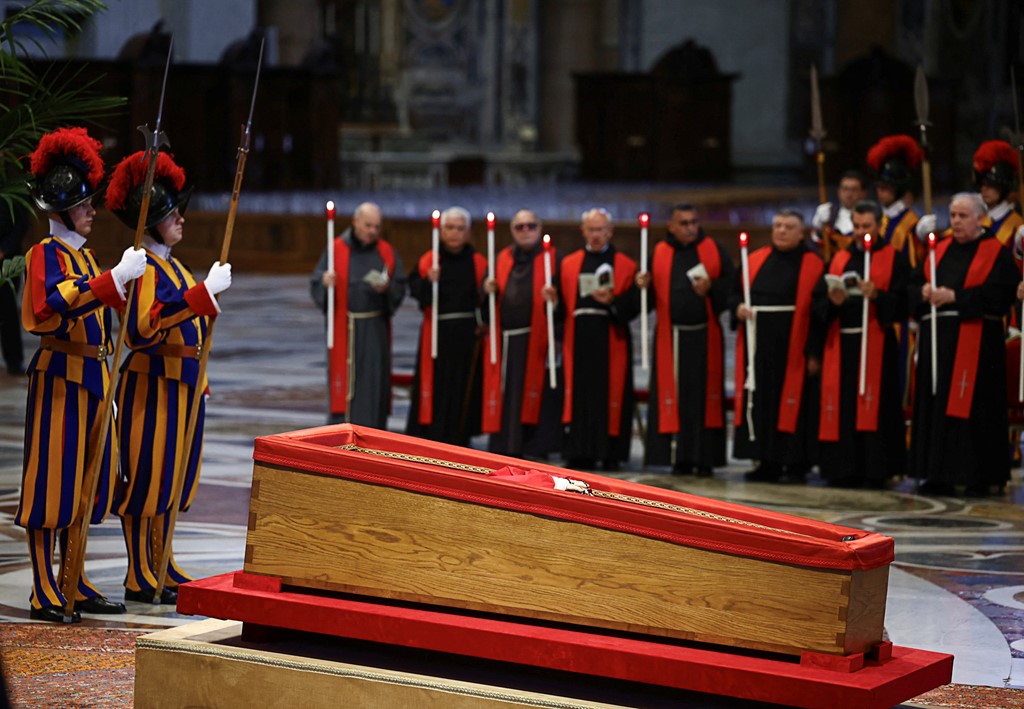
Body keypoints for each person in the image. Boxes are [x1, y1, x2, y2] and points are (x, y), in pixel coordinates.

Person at [17, 127, 148, 622]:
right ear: (63, 208)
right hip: (60, 378)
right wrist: (109, 281)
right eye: (85, 204)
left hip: (94, 379)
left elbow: (107, 310)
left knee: (86, 482)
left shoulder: (85, 256)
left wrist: (122, 283)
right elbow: (48, 308)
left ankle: (73, 574)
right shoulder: (44, 255)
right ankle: (42, 586)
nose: (93, 211)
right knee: (51, 481)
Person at [104, 150, 230, 604]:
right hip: (151, 383)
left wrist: (203, 380)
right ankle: (139, 569)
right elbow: (140, 330)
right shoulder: (144, 267)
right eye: (172, 213)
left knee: (175, 477)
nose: (181, 219)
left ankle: (163, 559)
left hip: (182, 383)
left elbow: (193, 326)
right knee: (147, 475)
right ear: (153, 221)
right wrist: (200, 296)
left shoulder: (174, 266)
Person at [910, 192, 1018, 497]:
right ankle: (936, 473)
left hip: (978, 343)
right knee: (937, 403)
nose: (955, 221)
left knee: (975, 407)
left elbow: (1000, 294)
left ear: (980, 218)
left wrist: (955, 297)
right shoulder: (938, 250)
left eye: (962, 216)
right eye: (953, 215)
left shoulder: (995, 252)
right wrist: (924, 291)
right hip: (937, 342)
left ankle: (977, 475)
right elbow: (912, 285)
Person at [815, 200, 910, 488]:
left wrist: (878, 296)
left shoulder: (894, 259)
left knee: (876, 405)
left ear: (879, 225)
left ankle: (875, 469)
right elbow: (819, 304)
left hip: (877, 345)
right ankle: (842, 468)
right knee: (842, 406)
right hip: (843, 345)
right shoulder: (840, 258)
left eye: (866, 226)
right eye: (856, 226)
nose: (860, 232)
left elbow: (905, 304)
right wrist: (833, 302)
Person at [638, 203, 734, 476]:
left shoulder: (713, 249)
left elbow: (732, 286)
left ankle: (704, 459)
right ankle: (677, 457)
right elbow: (643, 297)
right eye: (684, 223)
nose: (691, 228)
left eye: (694, 222)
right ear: (671, 226)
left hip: (705, 335)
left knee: (703, 398)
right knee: (675, 398)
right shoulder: (659, 252)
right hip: (671, 337)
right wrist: (642, 285)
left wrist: (712, 288)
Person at [730, 209, 825, 483]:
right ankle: (765, 461)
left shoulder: (813, 263)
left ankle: (796, 464)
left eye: (788, 226)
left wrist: (814, 353)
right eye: (777, 226)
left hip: (795, 348)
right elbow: (735, 294)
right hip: (758, 348)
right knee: (761, 402)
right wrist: (738, 308)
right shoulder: (755, 260)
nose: (781, 231)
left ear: (801, 232)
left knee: (797, 405)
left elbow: (819, 313)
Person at [311, 202, 406, 427]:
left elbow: (400, 286)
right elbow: (316, 284)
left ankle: (372, 436)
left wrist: (387, 289)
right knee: (344, 387)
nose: (372, 231)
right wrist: (326, 283)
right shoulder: (336, 249)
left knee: (373, 385)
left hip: (374, 330)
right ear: (355, 222)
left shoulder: (386, 252)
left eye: (377, 226)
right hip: (345, 327)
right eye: (368, 225)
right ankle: (340, 436)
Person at [558, 208, 640, 471]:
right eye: (591, 229)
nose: (596, 235)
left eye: (600, 229)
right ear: (583, 231)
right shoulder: (569, 264)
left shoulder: (626, 265)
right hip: (579, 338)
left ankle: (610, 453)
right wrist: (552, 298)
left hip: (611, 337)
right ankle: (578, 451)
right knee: (579, 394)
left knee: (610, 394)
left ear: (610, 231)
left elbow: (635, 307)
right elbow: (561, 308)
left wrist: (614, 301)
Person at [481, 209, 562, 458]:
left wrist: (555, 301)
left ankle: (534, 446)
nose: (525, 231)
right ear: (512, 231)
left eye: (531, 226)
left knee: (536, 393)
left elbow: (566, 305)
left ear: (540, 228)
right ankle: (505, 443)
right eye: (520, 227)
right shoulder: (501, 259)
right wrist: (487, 291)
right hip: (506, 340)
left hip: (538, 340)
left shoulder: (554, 260)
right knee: (507, 395)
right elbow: (484, 309)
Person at [406, 206, 486, 445]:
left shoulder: (479, 262)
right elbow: (418, 295)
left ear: (469, 233)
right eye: (450, 228)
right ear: (441, 231)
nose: (455, 233)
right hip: (437, 333)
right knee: (436, 387)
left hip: (466, 335)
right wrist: (429, 282)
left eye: (460, 228)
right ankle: (430, 435)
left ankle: (460, 436)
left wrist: (488, 295)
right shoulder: (429, 261)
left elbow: (484, 303)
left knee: (462, 386)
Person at [917, 140, 1023, 247]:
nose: (984, 189)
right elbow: (949, 247)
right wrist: (925, 238)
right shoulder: (978, 219)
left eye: (991, 184)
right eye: (981, 183)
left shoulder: (1016, 227)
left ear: (1003, 186)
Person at [866, 135, 924, 268]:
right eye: (879, 187)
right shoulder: (876, 217)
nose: (880, 192)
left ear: (898, 189)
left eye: (886, 188)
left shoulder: (911, 224)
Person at [0, 200, 29, 376]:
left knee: (8, 310)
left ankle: (14, 360)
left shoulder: (11, 191)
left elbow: (22, 223)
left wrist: (4, 249)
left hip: (7, 262)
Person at [811, 170, 869, 254]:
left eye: (854, 190)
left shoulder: (870, 216)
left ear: (863, 193)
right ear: (839, 191)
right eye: (845, 189)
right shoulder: (830, 213)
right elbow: (816, 244)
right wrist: (818, 228)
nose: (849, 194)